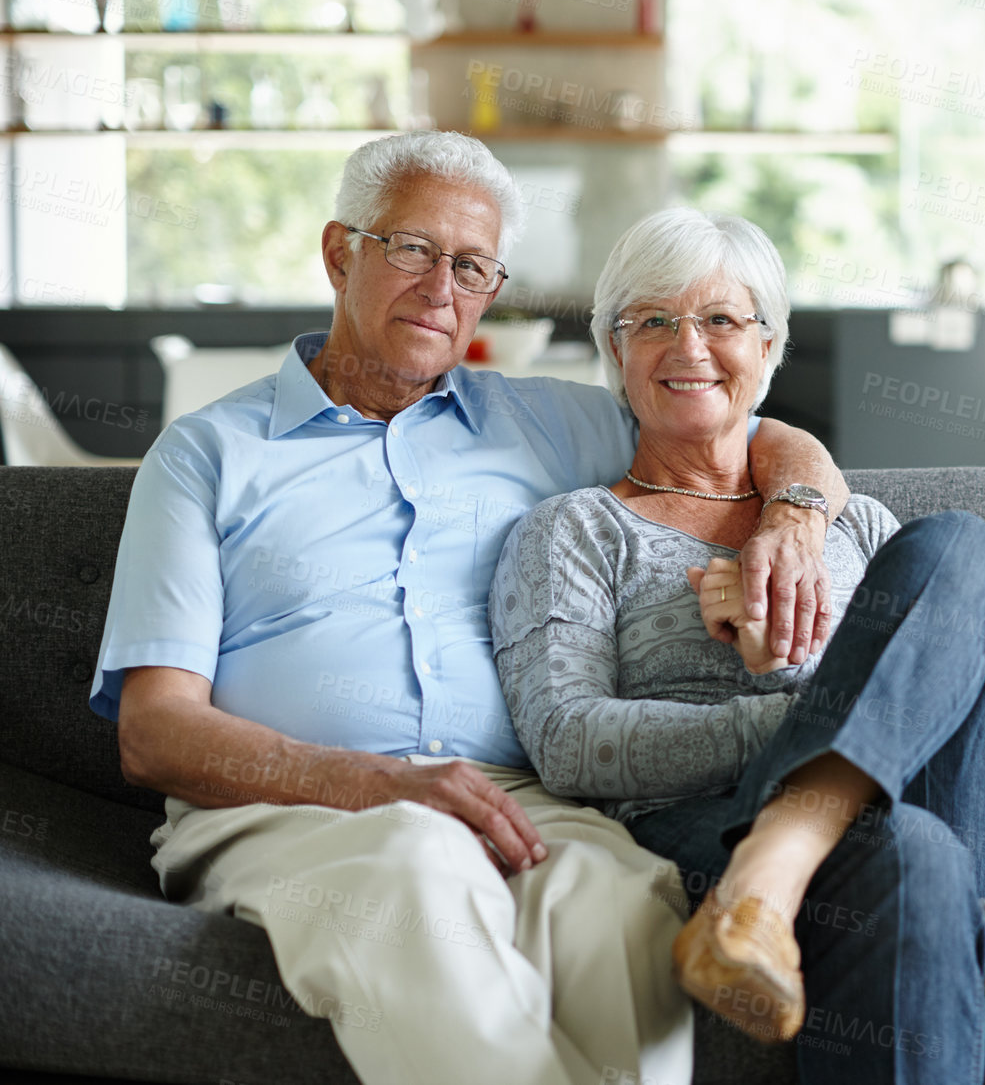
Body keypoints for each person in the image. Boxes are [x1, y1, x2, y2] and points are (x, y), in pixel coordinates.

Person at [91, 132, 849, 1085]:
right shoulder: (205, 456)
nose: (440, 285)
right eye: (411, 248)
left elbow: (731, 410)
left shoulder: (544, 421)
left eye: (472, 264)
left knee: (618, 912)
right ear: (340, 252)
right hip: (288, 809)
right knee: (415, 869)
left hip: (515, 802)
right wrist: (375, 784)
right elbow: (154, 736)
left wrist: (796, 514)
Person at [490, 208, 985, 1084]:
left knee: (961, 541)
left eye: (721, 320)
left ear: (769, 348)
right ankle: (779, 852)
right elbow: (568, 743)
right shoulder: (576, 531)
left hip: (919, 796)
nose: (686, 346)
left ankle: (768, 881)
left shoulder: (854, 524)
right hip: (710, 820)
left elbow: (943, 703)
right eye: (650, 321)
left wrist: (807, 640)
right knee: (910, 851)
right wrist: (797, 709)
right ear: (614, 353)